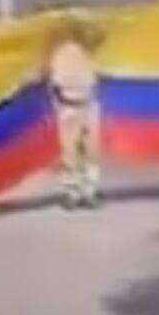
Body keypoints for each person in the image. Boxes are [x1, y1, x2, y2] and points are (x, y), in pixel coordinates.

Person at [45, 14, 104, 210]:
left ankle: (87, 192)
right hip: (70, 104)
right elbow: (54, 83)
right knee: (71, 152)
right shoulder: (59, 53)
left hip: (87, 103)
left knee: (90, 150)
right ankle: (73, 192)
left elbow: (99, 37)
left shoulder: (87, 51)